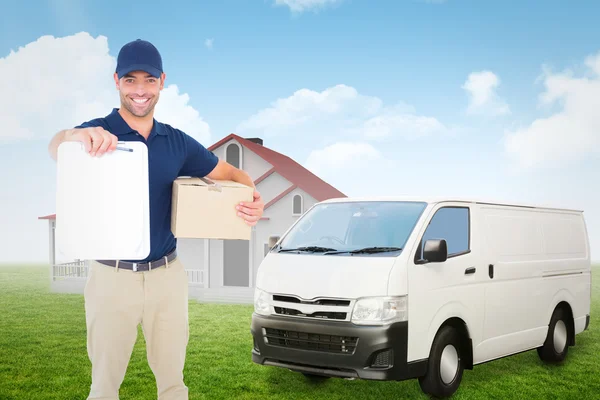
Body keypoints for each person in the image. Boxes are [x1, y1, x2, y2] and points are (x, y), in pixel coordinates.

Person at [48, 39, 264, 400]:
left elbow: (231, 173)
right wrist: (75, 135)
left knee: (173, 385)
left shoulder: (176, 142)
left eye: (148, 80)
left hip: (168, 277)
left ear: (162, 81)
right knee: (103, 387)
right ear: (116, 81)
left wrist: (253, 198)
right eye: (130, 80)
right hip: (110, 277)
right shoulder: (97, 132)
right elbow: (57, 146)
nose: (140, 90)